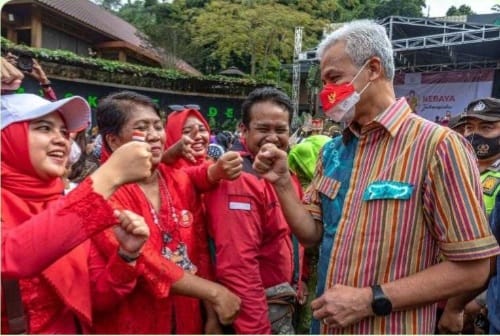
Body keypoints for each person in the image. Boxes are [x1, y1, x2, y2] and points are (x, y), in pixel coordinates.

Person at [252, 20, 500, 334]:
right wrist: (283, 181)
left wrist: (371, 299)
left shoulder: (438, 146)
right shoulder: (332, 152)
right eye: (324, 82)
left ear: (372, 69)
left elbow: (474, 269)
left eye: (334, 78)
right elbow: (313, 234)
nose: (327, 92)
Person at [1, 91, 154, 333]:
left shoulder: (64, 204)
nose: (62, 140)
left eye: (64, 132)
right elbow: (11, 256)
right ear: (7, 138)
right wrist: (109, 176)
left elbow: (94, 299)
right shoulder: (74, 208)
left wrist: (126, 256)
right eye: (44, 128)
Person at [89, 91, 241, 334]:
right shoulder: (102, 193)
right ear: (114, 141)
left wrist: (210, 315)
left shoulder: (179, 181)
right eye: (141, 127)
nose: (155, 136)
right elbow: (144, 264)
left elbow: (199, 252)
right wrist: (215, 293)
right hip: (131, 320)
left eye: (157, 126)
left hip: (185, 319)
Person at [203, 87, 304, 334]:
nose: (272, 137)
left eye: (280, 130)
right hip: (257, 311)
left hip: (281, 301)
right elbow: (238, 266)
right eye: (263, 129)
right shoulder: (238, 177)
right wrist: (257, 330)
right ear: (243, 130)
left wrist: (298, 279)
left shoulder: (285, 174)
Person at [438, 97, 500, 333]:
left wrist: (473, 303)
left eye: (486, 127)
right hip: (440, 288)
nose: (474, 135)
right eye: (469, 128)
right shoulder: (455, 170)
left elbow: (493, 256)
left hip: (480, 300)